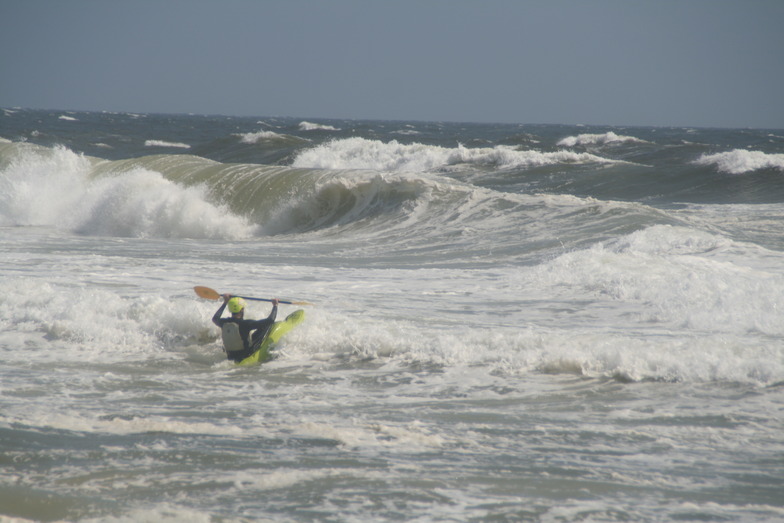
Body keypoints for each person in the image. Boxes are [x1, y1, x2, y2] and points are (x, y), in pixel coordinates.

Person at [212, 294, 279, 362]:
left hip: (230, 356)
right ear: (241, 310)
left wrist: (225, 302)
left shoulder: (223, 322)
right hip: (245, 355)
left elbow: (215, 318)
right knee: (265, 326)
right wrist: (275, 306)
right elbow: (270, 320)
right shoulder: (246, 324)